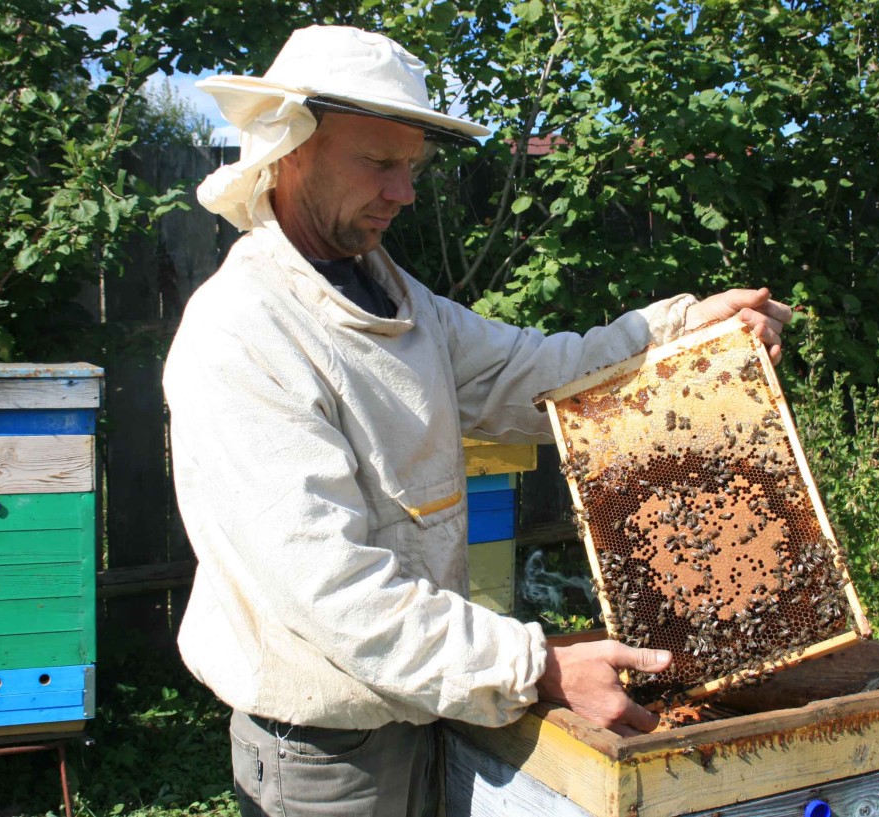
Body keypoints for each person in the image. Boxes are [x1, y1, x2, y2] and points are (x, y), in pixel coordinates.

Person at [162, 24, 792, 817]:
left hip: (436, 696)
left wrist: (683, 331)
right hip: (330, 752)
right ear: (290, 150)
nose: (406, 192)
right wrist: (533, 664)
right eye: (380, 163)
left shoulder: (391, 295)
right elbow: (331, 589)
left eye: (413, 167)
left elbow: (536, 373)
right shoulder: (245, 330)